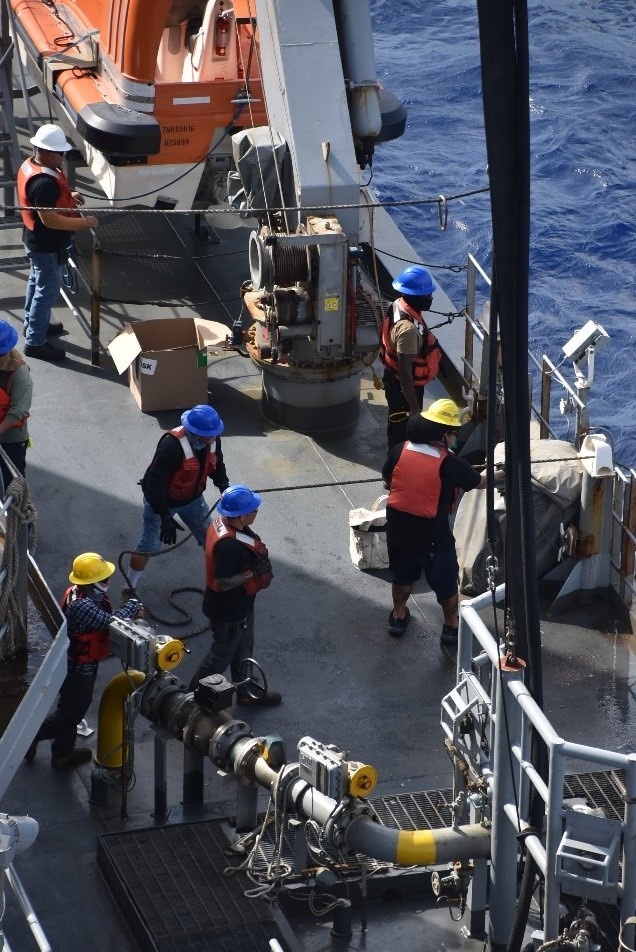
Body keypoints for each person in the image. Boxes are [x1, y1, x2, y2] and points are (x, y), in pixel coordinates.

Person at [381, 399, 504, 647]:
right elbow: (479, 482)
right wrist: (502, 472)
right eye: (453, 433)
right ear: (443, 435)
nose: (454, 438)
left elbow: (387, 480)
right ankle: (451, 626)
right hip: (433, 535)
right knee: (446, 582)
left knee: (402, 576)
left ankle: (398, 617)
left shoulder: (399, 449)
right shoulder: (449, 463)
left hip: (398, 529)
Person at [25, 552, 142, 768]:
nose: (108, 583)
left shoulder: (85, 596)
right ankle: (31, 737)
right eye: (104, 580)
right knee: (74, 711)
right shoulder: (81, 606)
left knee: (68, 707)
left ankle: (62, 753)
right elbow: (112, 622)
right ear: (91, 583)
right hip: (78, 667)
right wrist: (133, 605)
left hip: (78, 660)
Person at [188, 484, 281, 706]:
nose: (256, 512)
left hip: (242, 608)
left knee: (244, 650)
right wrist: (251, 574)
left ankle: (246, 691)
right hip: (228, 611)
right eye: (253, 510)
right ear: (240, 517)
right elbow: (221, 583)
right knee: (219, 658)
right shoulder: (229, 547)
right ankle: (190, 700)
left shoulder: (224, 525)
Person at [125, 404, 229, 595]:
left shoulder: (212, 440)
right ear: (195, 433)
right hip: (161, 501)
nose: (213, 438)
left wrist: (225, 489)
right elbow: (153, 485)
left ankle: (222, 585)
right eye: (209, 435)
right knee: (148, 546)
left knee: (212, 539)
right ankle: (129, 588)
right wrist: (165, 517)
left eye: (215, 433)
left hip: (193, 500)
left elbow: (217, 465)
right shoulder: (171, 446)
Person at [17, 123, 99, 363]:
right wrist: (85, 223)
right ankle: (35, 342)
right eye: (60, 152)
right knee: (47, 291)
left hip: (34, 240)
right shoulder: (44, 184)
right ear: (48, 152)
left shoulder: (32, 165)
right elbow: (50, 219)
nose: (63, 156)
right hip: (45, 246)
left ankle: (32, 324)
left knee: (36, 282)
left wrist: (68, 195)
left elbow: (48, 199)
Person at [379, 264, 442, 450]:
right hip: (403, 388)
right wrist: (414, 408)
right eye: (427, 295)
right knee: (402, 432)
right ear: (415, 297)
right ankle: (394, 471)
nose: (430, 298)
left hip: (398, 383)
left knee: (399, 428)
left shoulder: (399, 304)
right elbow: (405, 373)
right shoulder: (407, 330)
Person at [0, 319, 32, 492]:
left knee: (14, 487)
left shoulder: (20, 375)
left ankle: (20, 519)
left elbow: (17, 412)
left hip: (11, 441)